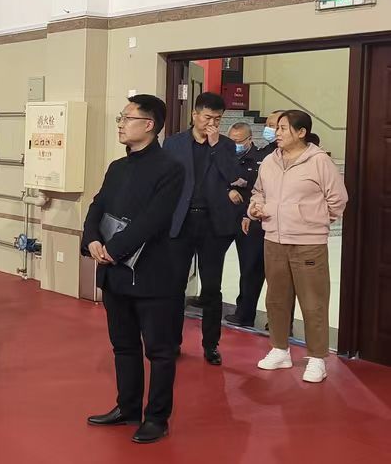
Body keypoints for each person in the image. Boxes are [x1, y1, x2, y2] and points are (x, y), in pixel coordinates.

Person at [83, 94, 185, 444]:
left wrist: (112, 249)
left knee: (159, 350)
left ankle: (157, 417)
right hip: (115, 272)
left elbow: (153, 220)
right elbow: (97, 206)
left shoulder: (170, 168)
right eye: (121, 118)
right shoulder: (117, 167)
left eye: (127, 118)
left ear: (149, 125)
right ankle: (127, 407)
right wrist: (92, 240)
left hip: (153, 275)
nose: (121, 125)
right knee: (123, 346)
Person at [249, 110, 347, 383]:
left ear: (301, 132)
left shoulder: (319, 161)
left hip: (307, 242)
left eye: (283, 128)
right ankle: (279, 349)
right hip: (273, 239)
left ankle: (317, 359)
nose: (276, 133)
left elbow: (338, 199)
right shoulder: (270, 160)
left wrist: (312, 220)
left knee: (313, 302)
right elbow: (258, 192)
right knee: (276, 299)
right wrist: (255, 207)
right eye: (275, 128)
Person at [164, 92, 243, 365]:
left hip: (212, 224)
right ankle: (172, 342)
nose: (212, 123)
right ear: (195, 115)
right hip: (181, 222)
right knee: (174, 285)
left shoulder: (226, 146)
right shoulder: (173, 143)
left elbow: (233, 176)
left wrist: (215, 145)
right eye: (207, 117)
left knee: (211, 287)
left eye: (217, 119)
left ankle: (211, 345)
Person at [224, 111, 283, 327]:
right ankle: (244, 313)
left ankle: (280, 321)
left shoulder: (289, 156)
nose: (270, 129)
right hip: (248, 218)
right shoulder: (265, 155)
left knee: (277, 275)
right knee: (249, 269)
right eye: (268, 124)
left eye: (274, 125)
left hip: (279, 223)